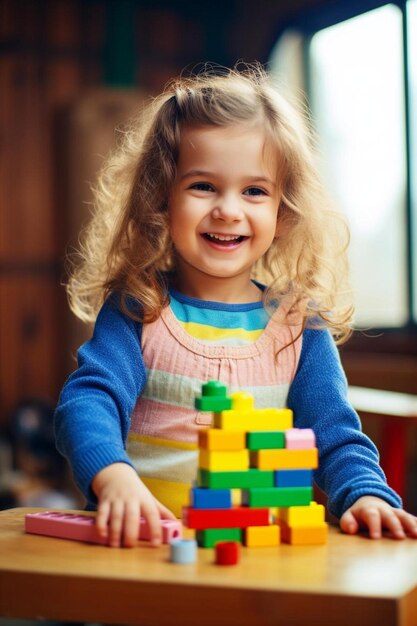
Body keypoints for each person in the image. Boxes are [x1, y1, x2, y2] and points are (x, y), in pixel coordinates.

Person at [55, 63, 417, 548]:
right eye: (203, 186)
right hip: (143, 559)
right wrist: (113, 475)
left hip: (258, 568)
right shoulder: (137, 309)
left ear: (282, 212)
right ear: (162, 199)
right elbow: (87, 402)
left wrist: (365, 495)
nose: (228, 209)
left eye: (254, 191)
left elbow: (335, 434)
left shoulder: (298, 326)